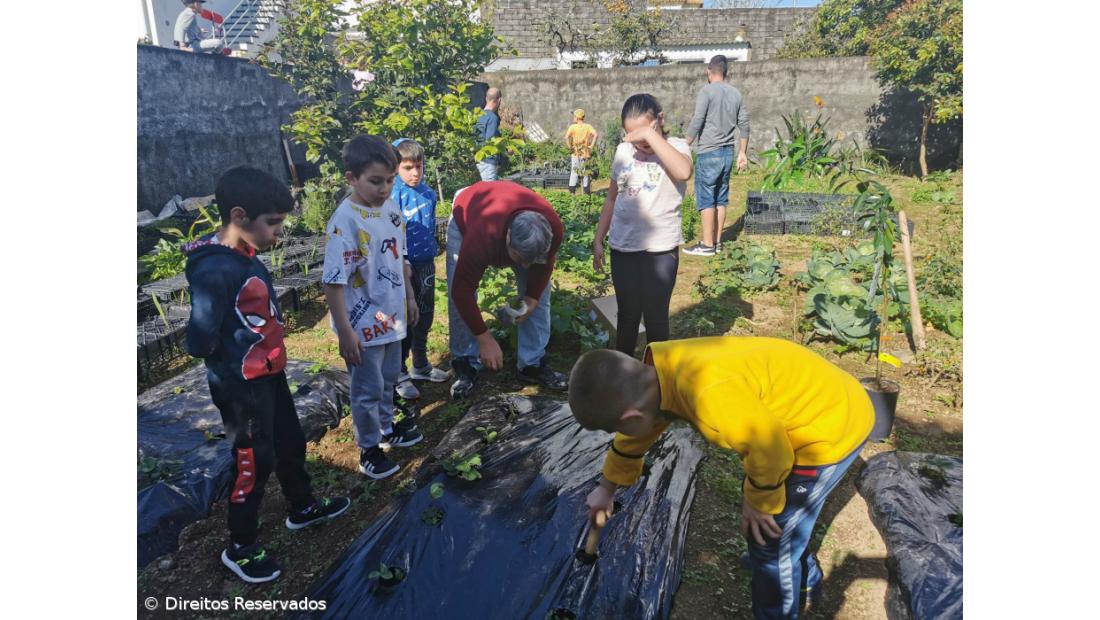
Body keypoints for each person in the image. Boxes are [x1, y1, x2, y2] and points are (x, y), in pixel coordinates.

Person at [568, 337, 874, 619]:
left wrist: (758, 503)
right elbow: (639, 432)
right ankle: (802, 576)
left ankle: (777, 593)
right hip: (803, 410)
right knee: (779, 529)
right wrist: (606, 487)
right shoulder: (658, 376)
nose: (619, 434)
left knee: (771, 539)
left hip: (828, 428)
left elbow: (771, 453)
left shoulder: (709, 394)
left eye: (614, 428)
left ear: (630, 417)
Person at [184, 166, 351, 584]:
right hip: (242, 386)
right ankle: (239, 545)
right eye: (272, 223)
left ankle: (302, 506)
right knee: (253, 461)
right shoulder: (214, 269)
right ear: (239, 216)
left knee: (290, 441)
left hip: (269, 373)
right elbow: (200, 336)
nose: (278, 233)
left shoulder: (244, 255)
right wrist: (229, 354)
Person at [322, 135, 423, 481]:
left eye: (390, 180)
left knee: (388, 380)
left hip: (392, 316)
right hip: (361, 326)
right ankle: (368, 448)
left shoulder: (392, 209)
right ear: (351, 178)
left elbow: (401, 260)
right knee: (365, 389)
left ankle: (385, 427)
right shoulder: (345, 221)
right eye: (375, 181)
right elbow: (333, 282)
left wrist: (409, 296)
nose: (384, 188)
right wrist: (345, 331)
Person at [446, 181, 569, 399]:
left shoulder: (553, 229)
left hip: (509, 212)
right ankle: (466, 362)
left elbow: (544, 264)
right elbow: (461, 292)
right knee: (460, 292)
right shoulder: (482, 235)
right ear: (508, 237)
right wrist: (484, 338)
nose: (524, 267)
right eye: (520, 259)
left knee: (541, 296)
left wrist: (531, 298)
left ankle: (532, 363)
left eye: (531, 260)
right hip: (468, 209)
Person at [592, 94, 692, 357]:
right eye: (632, 135)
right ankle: (623, 372)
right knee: (627, 315)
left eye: (645, 133)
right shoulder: (624, 151)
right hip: (623, 247)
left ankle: (659, 377)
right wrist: (598, 237)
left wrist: (651, 135)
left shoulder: (677, 147)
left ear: (660, 120)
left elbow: (683, 172)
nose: (640, 142)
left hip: (660, 250)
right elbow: (612, 198)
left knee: (656, 318)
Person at [389, 138, 450, 400]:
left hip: (426, 262)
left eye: (419, 166)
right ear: (395, 168)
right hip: (402, 265)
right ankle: (399, 372)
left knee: (425, 314)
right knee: (403, 318)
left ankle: (421, 365)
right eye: (408, 167)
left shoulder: (428, 193)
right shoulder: (392, 196)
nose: (415, 173)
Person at [683, 55, 750, 256]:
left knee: (706, 198)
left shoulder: (706, 91)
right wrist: (743, 153)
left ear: (708, 72)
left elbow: (698, 120)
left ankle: (707, 245)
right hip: (727, 153)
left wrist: (684, 144)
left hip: (709, 152)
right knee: (721, 199)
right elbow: (745, 124)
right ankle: (718, 242)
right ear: (726, 73)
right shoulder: (736, 94)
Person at [564, 108, 598, 195]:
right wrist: (591, 146)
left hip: (576, 153)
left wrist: (570, 147)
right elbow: (595, 134)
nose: (573, 117)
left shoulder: (573, 127)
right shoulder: (588, 126)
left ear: (577, 117)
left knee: (574, 171)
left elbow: (566, 137)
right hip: (586, 153)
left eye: (574, 116)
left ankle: (572, 192)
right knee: (585, 171)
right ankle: (586, 191)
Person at [473, 87, 502, 181]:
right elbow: (491, 141)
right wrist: (505, 149)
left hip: (478, 160)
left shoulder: (477, 115)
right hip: (489, 162)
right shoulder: (493, 118)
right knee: (490, 192)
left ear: (486, 98)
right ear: (499, 100)